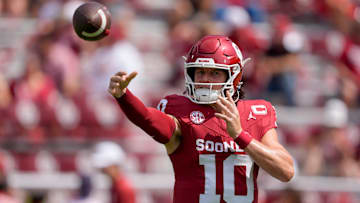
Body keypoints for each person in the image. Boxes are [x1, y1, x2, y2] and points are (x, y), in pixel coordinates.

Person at [108, 35, 294, 203]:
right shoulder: (181, 111)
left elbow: (286, 171)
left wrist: (239, 135)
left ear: (234, 76)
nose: (205, 79)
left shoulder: (256, 112)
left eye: (214, 73)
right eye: (200, 72)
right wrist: (124, 97)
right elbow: (148, 119)